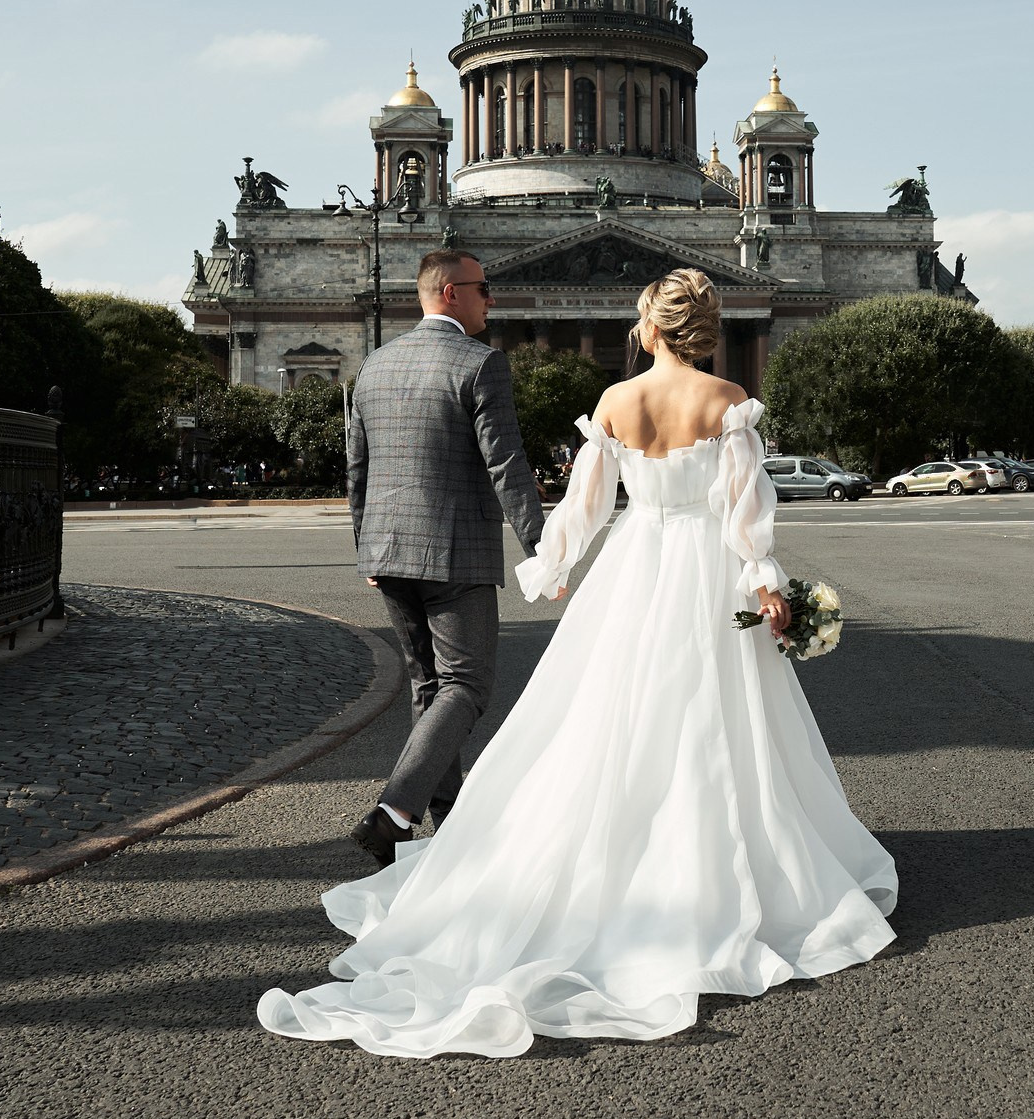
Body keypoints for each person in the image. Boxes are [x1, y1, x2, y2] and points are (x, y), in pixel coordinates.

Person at [259, 269, 897, 1060]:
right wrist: (765, 587)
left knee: (605, 719)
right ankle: (703, 852)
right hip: (702, 572)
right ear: (701, 329)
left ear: (650, 328)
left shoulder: (614, 404)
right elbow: (744, 516)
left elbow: (584, 507)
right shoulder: (729, 401)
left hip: (633, 569)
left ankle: (609, 846)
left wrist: (550, 566)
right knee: (714, 718)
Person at [340, 249, 547, 868]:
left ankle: (449, 828)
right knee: (466, 684)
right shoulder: (481, 363)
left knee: (428, 686)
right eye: (484, 288)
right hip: (455, 551)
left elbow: (357, 469)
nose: (492, 299)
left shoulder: (374, 365)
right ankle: (393, 813)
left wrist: (365, 548)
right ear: (451, 293)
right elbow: (506, 465)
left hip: (388, 551)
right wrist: (541, 548)